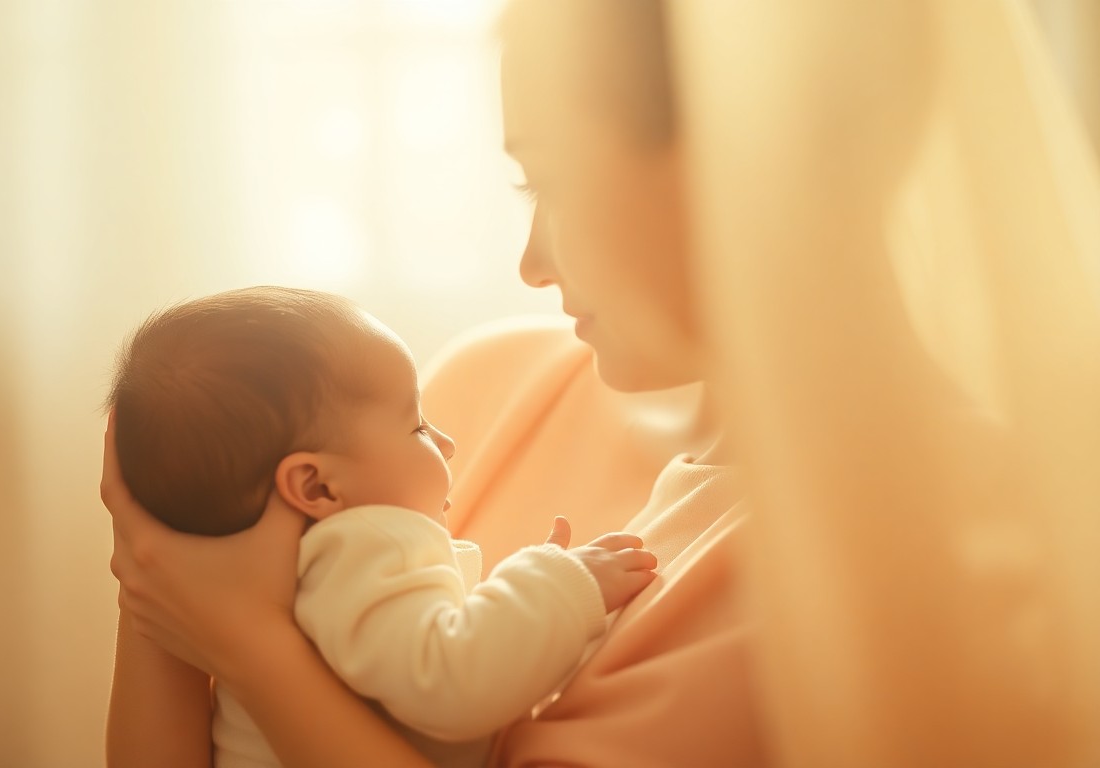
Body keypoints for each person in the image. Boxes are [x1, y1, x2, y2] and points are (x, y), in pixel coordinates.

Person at [107, 0, 1100, 765]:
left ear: (740, 154)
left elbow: (230, 632)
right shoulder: (482, 393)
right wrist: (162, 536)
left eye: (555, 177)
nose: (534, 264)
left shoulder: (911, 558)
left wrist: (248, 644)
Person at [107, 287, 656, 768]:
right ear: (317, 488)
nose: (447, 444)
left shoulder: (267, 574)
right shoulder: (363, 544)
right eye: (417, 426)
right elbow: (451, 682)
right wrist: (556, 580)